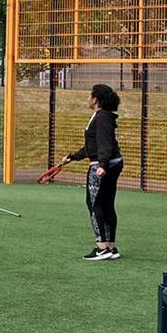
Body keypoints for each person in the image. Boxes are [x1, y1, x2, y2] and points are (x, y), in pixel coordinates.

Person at [64, 83, 123, 261]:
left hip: (103, 165)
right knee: (106, 204)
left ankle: (101, 247)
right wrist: (73, 157)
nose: (88, 98)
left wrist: (102, 166)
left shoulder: (102, 117)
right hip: (112, 162)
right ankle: (111, 248)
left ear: (95, 99)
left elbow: (104, 143)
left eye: (90, 95)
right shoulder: (102, 116)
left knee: (94, 203)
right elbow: (93, 145)